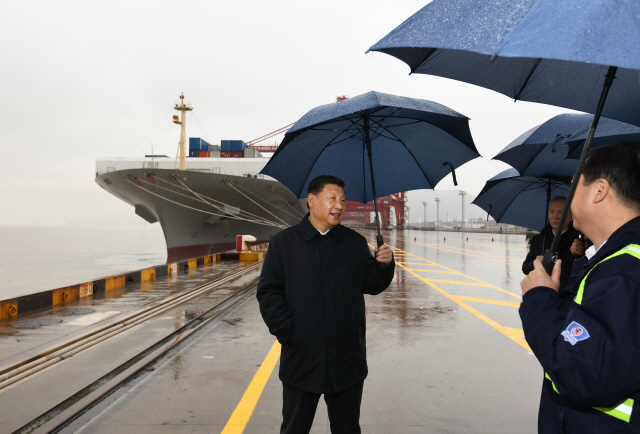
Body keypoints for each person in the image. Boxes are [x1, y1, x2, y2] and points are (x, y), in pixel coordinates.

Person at [257, 175, 395, 434]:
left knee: (348, 429)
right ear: (311, 200)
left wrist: (384, 265)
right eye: (332, 198)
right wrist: (288, 330)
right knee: (294, 428)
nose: (340, 205)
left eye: (343, 200)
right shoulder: (283, 243)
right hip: (302, 358)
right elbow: (268, 292)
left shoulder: (354, 244)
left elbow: (371, 285)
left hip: (347, 358)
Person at [520, 142, 640, 433]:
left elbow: (581, 373)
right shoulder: (616, 260)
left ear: (599, 190)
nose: (570, 192)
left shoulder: (623, 272)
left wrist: (540, 298)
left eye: (575, 183)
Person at [522, 196, 586, 295]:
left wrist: (578, 255)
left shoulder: (579, 240)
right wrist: (535, 263)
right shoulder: (539, 239)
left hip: (569, 297)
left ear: (571, 215)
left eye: (560, 212)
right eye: (552, 212)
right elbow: (525, 268)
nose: (555, 217)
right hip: (543, 294)